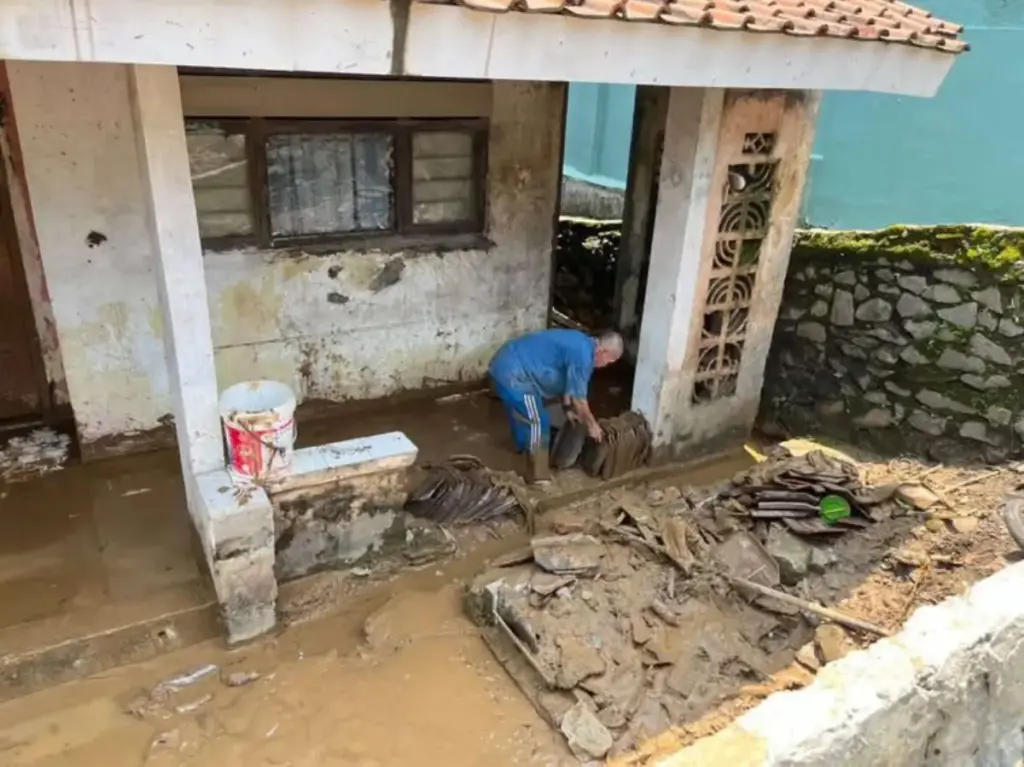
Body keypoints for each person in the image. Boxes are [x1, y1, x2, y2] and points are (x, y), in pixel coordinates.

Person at [488, 328, 623, 483]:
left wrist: (567, 410)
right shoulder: (583, 356)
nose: (605, 365)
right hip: (514, 374)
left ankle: (524, 449)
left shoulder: (582, 345)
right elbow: (579, 399)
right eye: (608, 361)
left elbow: (569, 384)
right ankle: (538, 476)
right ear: (603, 352)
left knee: (524, 412)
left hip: (507, 362)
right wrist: (591, 424)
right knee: (537, 421)